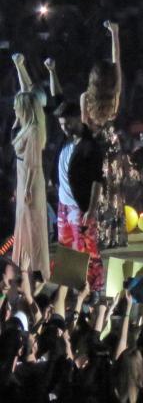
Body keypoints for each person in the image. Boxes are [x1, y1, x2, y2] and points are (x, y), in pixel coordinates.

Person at [80, 21, 126, 248]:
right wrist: (114, 34)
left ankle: (98, 233)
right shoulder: (114, 96)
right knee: (113, 190)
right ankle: (114, 234)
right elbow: (117, 64)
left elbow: (83, 127)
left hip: (95, 147)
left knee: (96, 189)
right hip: (112, 146)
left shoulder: (85, 99)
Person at [53, 100, 106, 295]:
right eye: (61, 124)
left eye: (67, 123)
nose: (64, 128)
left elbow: (97, 181)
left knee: (87, 249)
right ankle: (70, 288)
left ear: (77, 119)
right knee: (66, 247)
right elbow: (56, 96)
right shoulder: (65, 140)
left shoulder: (90, 146)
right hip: (63, 204)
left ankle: (96, 289)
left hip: (79, 206)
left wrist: (91, 209)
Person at [10, 54, 50, 284]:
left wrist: (26, 189)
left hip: (30, 179)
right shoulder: (25, 125)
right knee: (23, 221)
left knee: (32, 223)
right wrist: (20, 66)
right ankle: (25, 264)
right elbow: (25, 90)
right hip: (22, 176)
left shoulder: (34, 129)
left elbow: (34, 162)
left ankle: (35, 268)